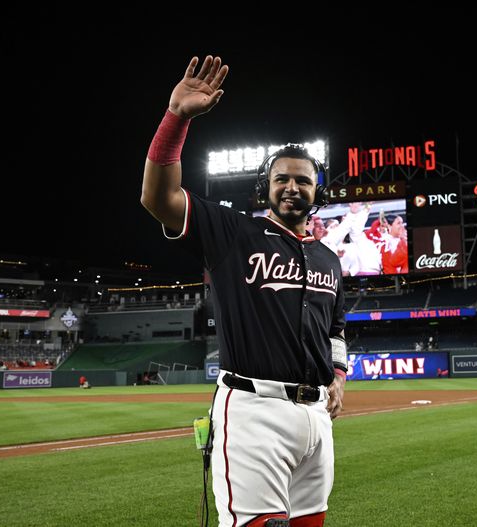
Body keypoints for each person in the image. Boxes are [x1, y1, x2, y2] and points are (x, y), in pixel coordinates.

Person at [141, 55, 347, 527]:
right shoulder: (233, 233)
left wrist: (337, 375)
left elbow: (334, 329)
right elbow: (158, 198)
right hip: (255, 411)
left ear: (318, 191)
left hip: (316, 417)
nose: (292, 187)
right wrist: (177, 117)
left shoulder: (329, 260)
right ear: (265, 188)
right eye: (281, 179)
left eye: (303, 180)